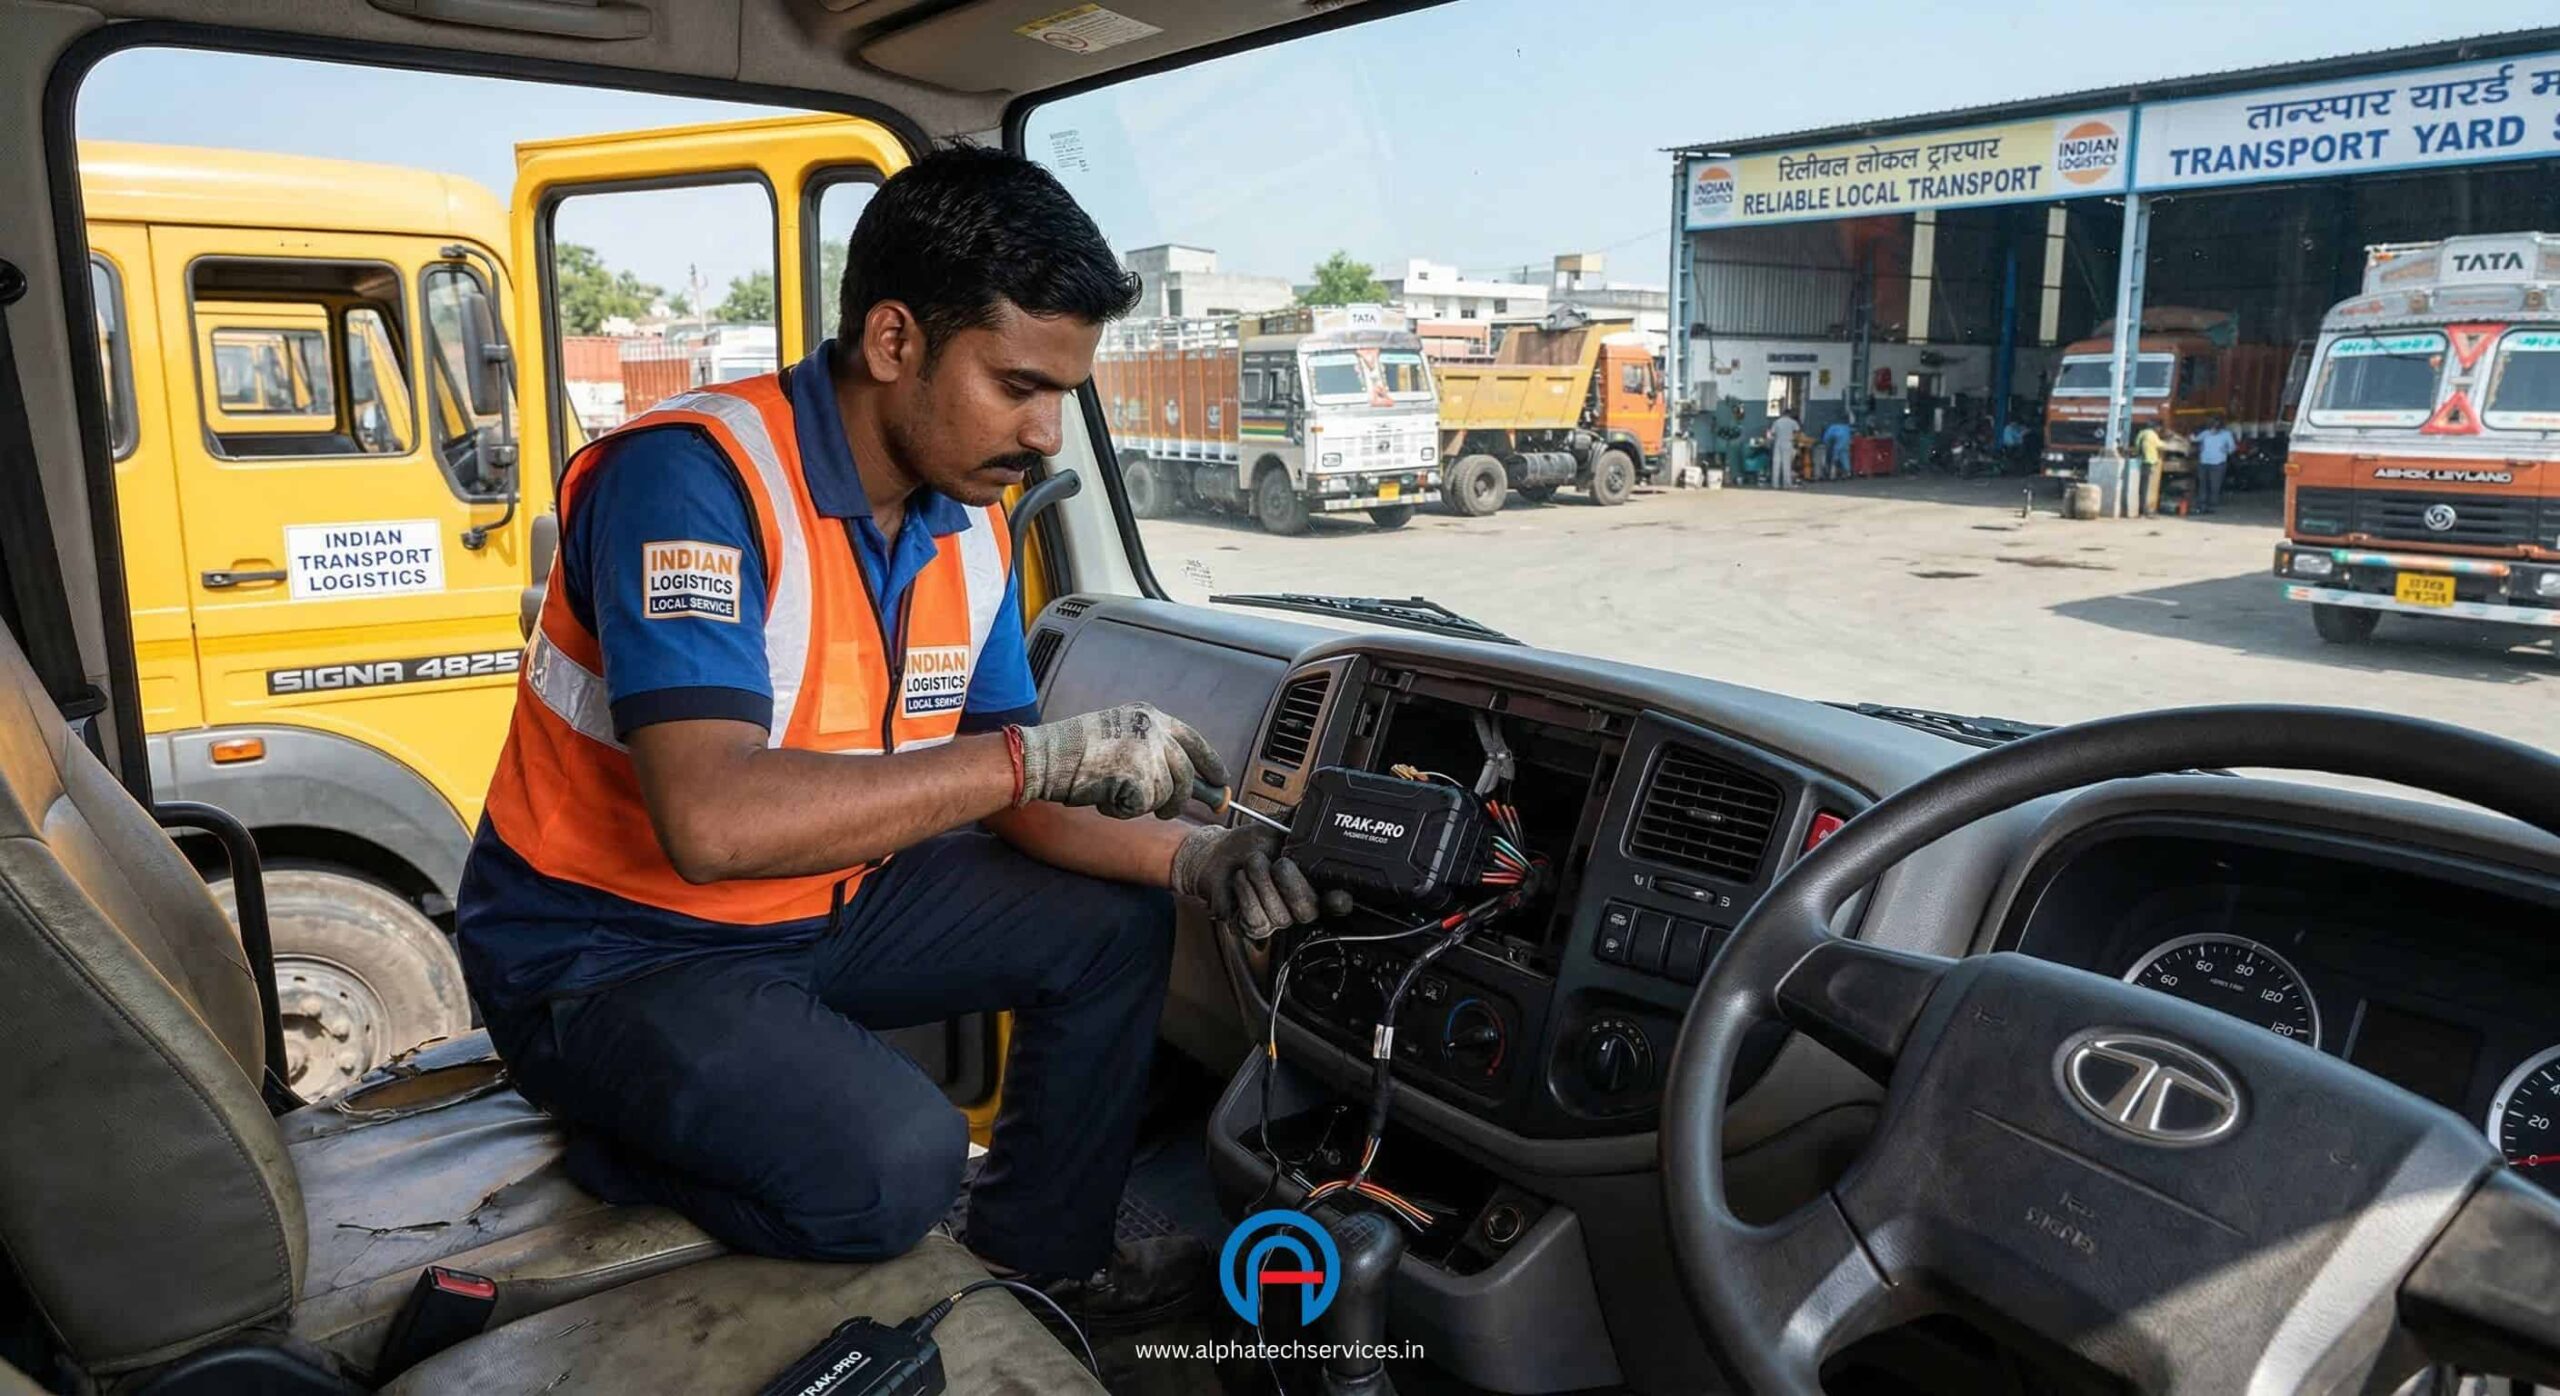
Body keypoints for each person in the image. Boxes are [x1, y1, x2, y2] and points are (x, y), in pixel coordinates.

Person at [456, 146, 1334, 1325]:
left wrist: (1196, 858)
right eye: (1018, 384)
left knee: (1116, 927)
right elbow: (712, 822)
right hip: (610, 947)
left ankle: (1045, 1263)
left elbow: (1017, 795)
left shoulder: (964, 521)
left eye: (1063, 394)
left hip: (823, 901)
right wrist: (1037, 755)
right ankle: (620, 1146)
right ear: (892, 342)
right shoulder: (692, 480)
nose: (1047, 434)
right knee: (897, 1169)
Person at [2193, 415, 2238, 514]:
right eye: (2211, 428)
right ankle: (2202, 502)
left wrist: (2226, 450)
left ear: (2219, 427)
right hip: (2204, 462)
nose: (2212, 430)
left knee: (2215, 485)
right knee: (2202, 484)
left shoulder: (2226, 434)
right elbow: (2195, 440)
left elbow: (2233, 448)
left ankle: (2213, 504)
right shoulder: (2205, 433)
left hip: (2218, 463)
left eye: (2215, 428)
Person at [1766, 406, 1801, 490]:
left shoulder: (1777, 422)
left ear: (1782, 413)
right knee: (1786, 464)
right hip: (1788, 443)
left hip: (1778, 443)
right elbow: (1797, 432)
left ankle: (1775, 484)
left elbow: (1772, 433)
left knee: (1776, 463)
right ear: (1789, 414)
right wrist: (1795, 442)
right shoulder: (1793, 422)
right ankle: (1787, 484)